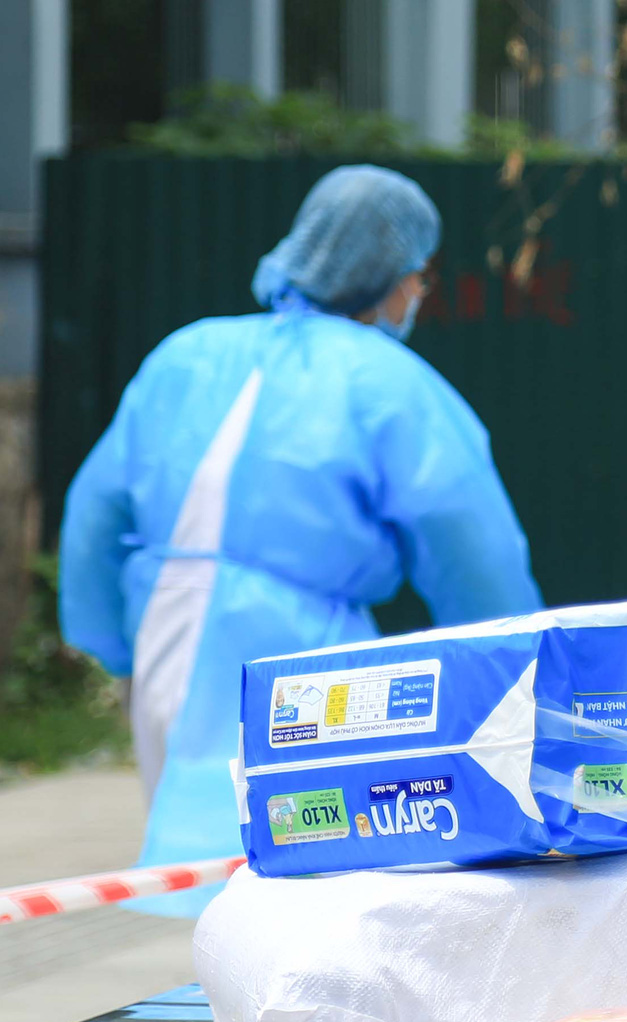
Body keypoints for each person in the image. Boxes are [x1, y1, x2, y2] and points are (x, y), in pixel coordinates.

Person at [61, 166, 542, 900]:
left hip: (165, 639)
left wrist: (110, 642)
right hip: (306, 660)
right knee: (302, 884)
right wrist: (520, 675)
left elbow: (94, 512)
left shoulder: (186, 353)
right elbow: (473, 549)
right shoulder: (391, 381)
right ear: (385, 275)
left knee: (199, 878)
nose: (418, 294)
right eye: (418, 276)